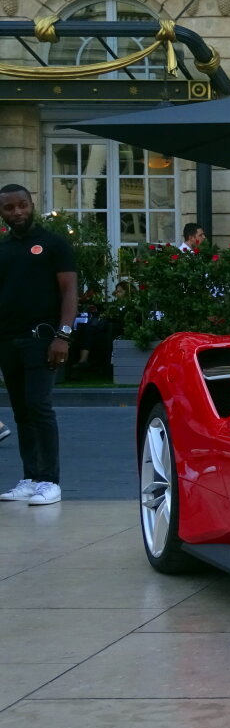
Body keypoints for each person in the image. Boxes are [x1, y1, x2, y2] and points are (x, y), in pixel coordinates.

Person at [0, 183, 78, 505]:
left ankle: (50, 481)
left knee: (39, 406)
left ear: (32, 205)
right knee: (20, 411)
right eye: (9, 208)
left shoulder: (54, 244)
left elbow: (69, 291)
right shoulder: (3, 249)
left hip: (43, 339)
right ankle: (31, 477)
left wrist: (63, 336)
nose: (18, 212)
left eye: (22, 205)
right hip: (7, 340)